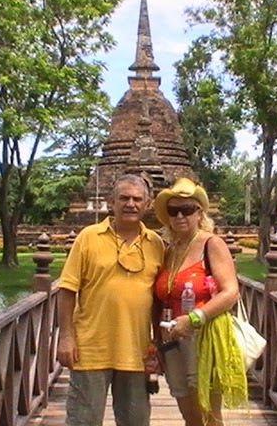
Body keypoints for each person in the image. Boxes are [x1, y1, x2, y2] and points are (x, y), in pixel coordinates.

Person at [57, 174, 164, 426]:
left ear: (147, 204)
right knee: (83, 420)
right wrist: (66, 336)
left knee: (136, 421)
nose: (131, 204)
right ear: (111, 201)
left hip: (136, 350)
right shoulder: (88, 237)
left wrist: (159, 344)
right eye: (124, 198)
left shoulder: (156, 244)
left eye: (137, 199)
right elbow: (67, 290)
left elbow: (160, 301)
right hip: (91, 347)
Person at [153, 177, 247, 426]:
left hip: (204, 336)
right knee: (189, 414)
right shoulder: (170, 249)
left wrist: (195, 318)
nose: (180, 216)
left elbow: (230, 292)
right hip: (172, 339)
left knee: (209, 414)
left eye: (187, 210)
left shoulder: (211, 243)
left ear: (199, 213)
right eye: (173, 211)